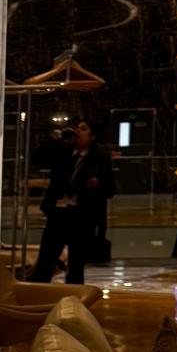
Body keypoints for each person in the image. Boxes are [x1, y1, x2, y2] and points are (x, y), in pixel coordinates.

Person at [30, 116, 114, 285]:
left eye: (83, 129)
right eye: (77, 128)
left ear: (92, 136)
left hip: (82, 217)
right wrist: (59, 138)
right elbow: (37, 156)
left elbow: (110, 190)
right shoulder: (63, 152)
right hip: (58, 214)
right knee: (45, 261)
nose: (77, 132)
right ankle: (37, 294)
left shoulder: (100, 159)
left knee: (76, 265)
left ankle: (73, 297)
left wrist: (97, 185)